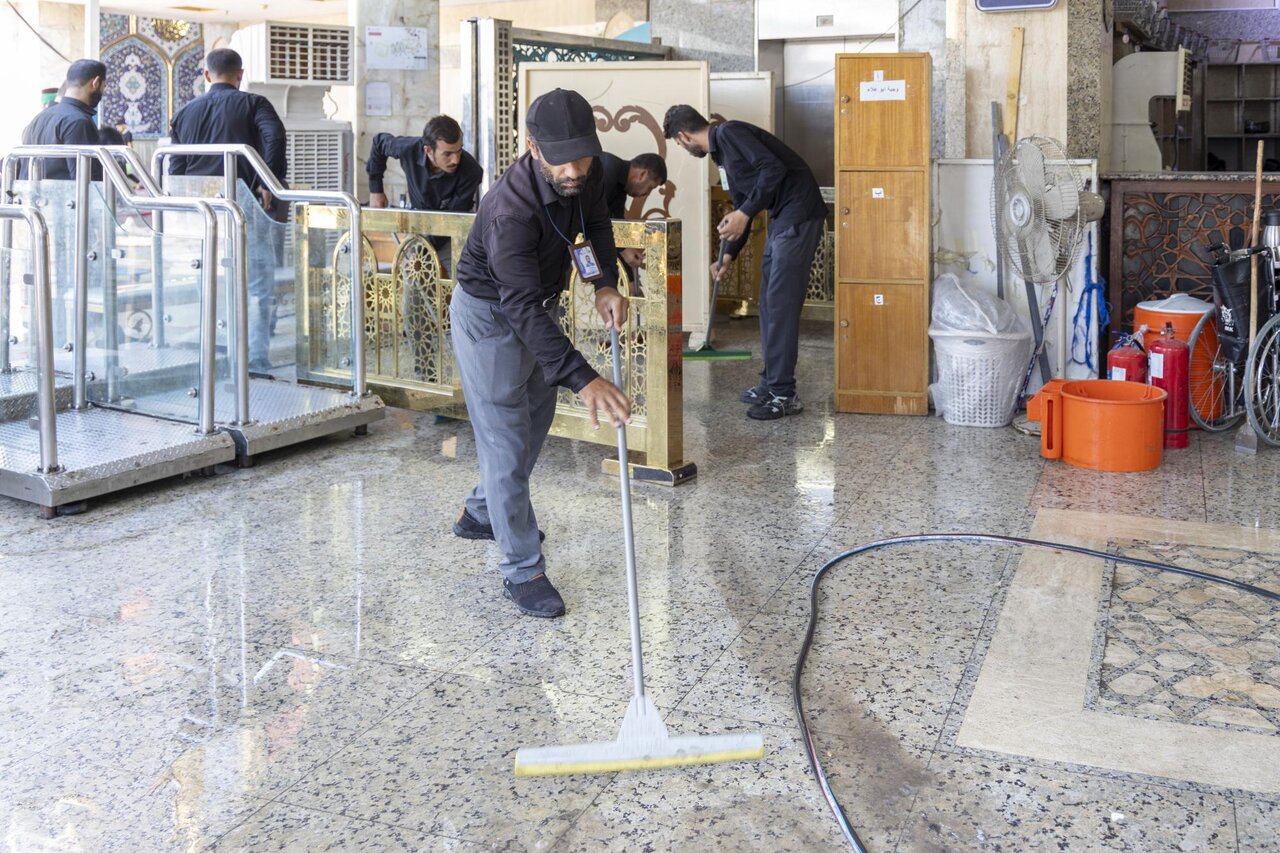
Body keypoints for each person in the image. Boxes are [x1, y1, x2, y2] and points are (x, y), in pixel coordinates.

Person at [451, 88, 631, 619]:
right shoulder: (510, 208)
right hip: (491, 316)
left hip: (536, 306)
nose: (575, 169)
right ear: (532, 146)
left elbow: (595, 225)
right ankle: (522, 569)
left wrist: (601, 282)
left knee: (536, 419)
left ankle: (482, 512)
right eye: (562, 158)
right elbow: (520, 306)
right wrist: (585, 377)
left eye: (583, 155)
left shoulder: (588, 172)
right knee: (506, 436)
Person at [663, 105, 826, 420]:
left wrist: (745, 212)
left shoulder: (729, 132)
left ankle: (783, 394)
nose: (683, 148)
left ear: (683, 136)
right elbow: (742, 205)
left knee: (780, 305)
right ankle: (771, 383)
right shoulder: (722, 154)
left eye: (679, 144)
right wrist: (727, 255)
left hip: (799, 214)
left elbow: (773, 169)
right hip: (783, 218)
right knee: (768, 303)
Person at [168, 47, 287, 374]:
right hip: (244, 203)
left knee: (207, 282)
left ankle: (214, 359)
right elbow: (275, 137)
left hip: (202, 211)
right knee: (257, 287)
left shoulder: (184, 112)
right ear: (240, 74)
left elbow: (174, 166)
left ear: (207, 75)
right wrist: (268, 181)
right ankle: (254, 363)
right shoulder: (254, 103)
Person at [366, 115, 483, 376]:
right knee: (414, 307)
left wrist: (417, 251)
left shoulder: (471, 171)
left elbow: (449, 222)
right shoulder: (408, 148)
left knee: (466, 305)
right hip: (419, 237)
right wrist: (376, 188)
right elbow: (378, 143)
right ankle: (428, 376)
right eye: (448, 154)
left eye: (459, 151)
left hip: (455, 239)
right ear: (427, 150)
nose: (455, 159)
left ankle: (471, 377)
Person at [20, 59, 106, 180]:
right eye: (104, 86)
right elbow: (86, 181)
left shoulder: (38, 118)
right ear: (95, 83)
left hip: (31, 197)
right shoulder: (78, 121)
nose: (103, 92)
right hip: (62, 198)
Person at [596, 151, 665, 286]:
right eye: (650, 187)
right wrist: (623, 251)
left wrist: (630, 280)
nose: (646, 194)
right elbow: (596, 222)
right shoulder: (608, 169)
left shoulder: (620, 189)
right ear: (642, 175)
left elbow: (618, 230)